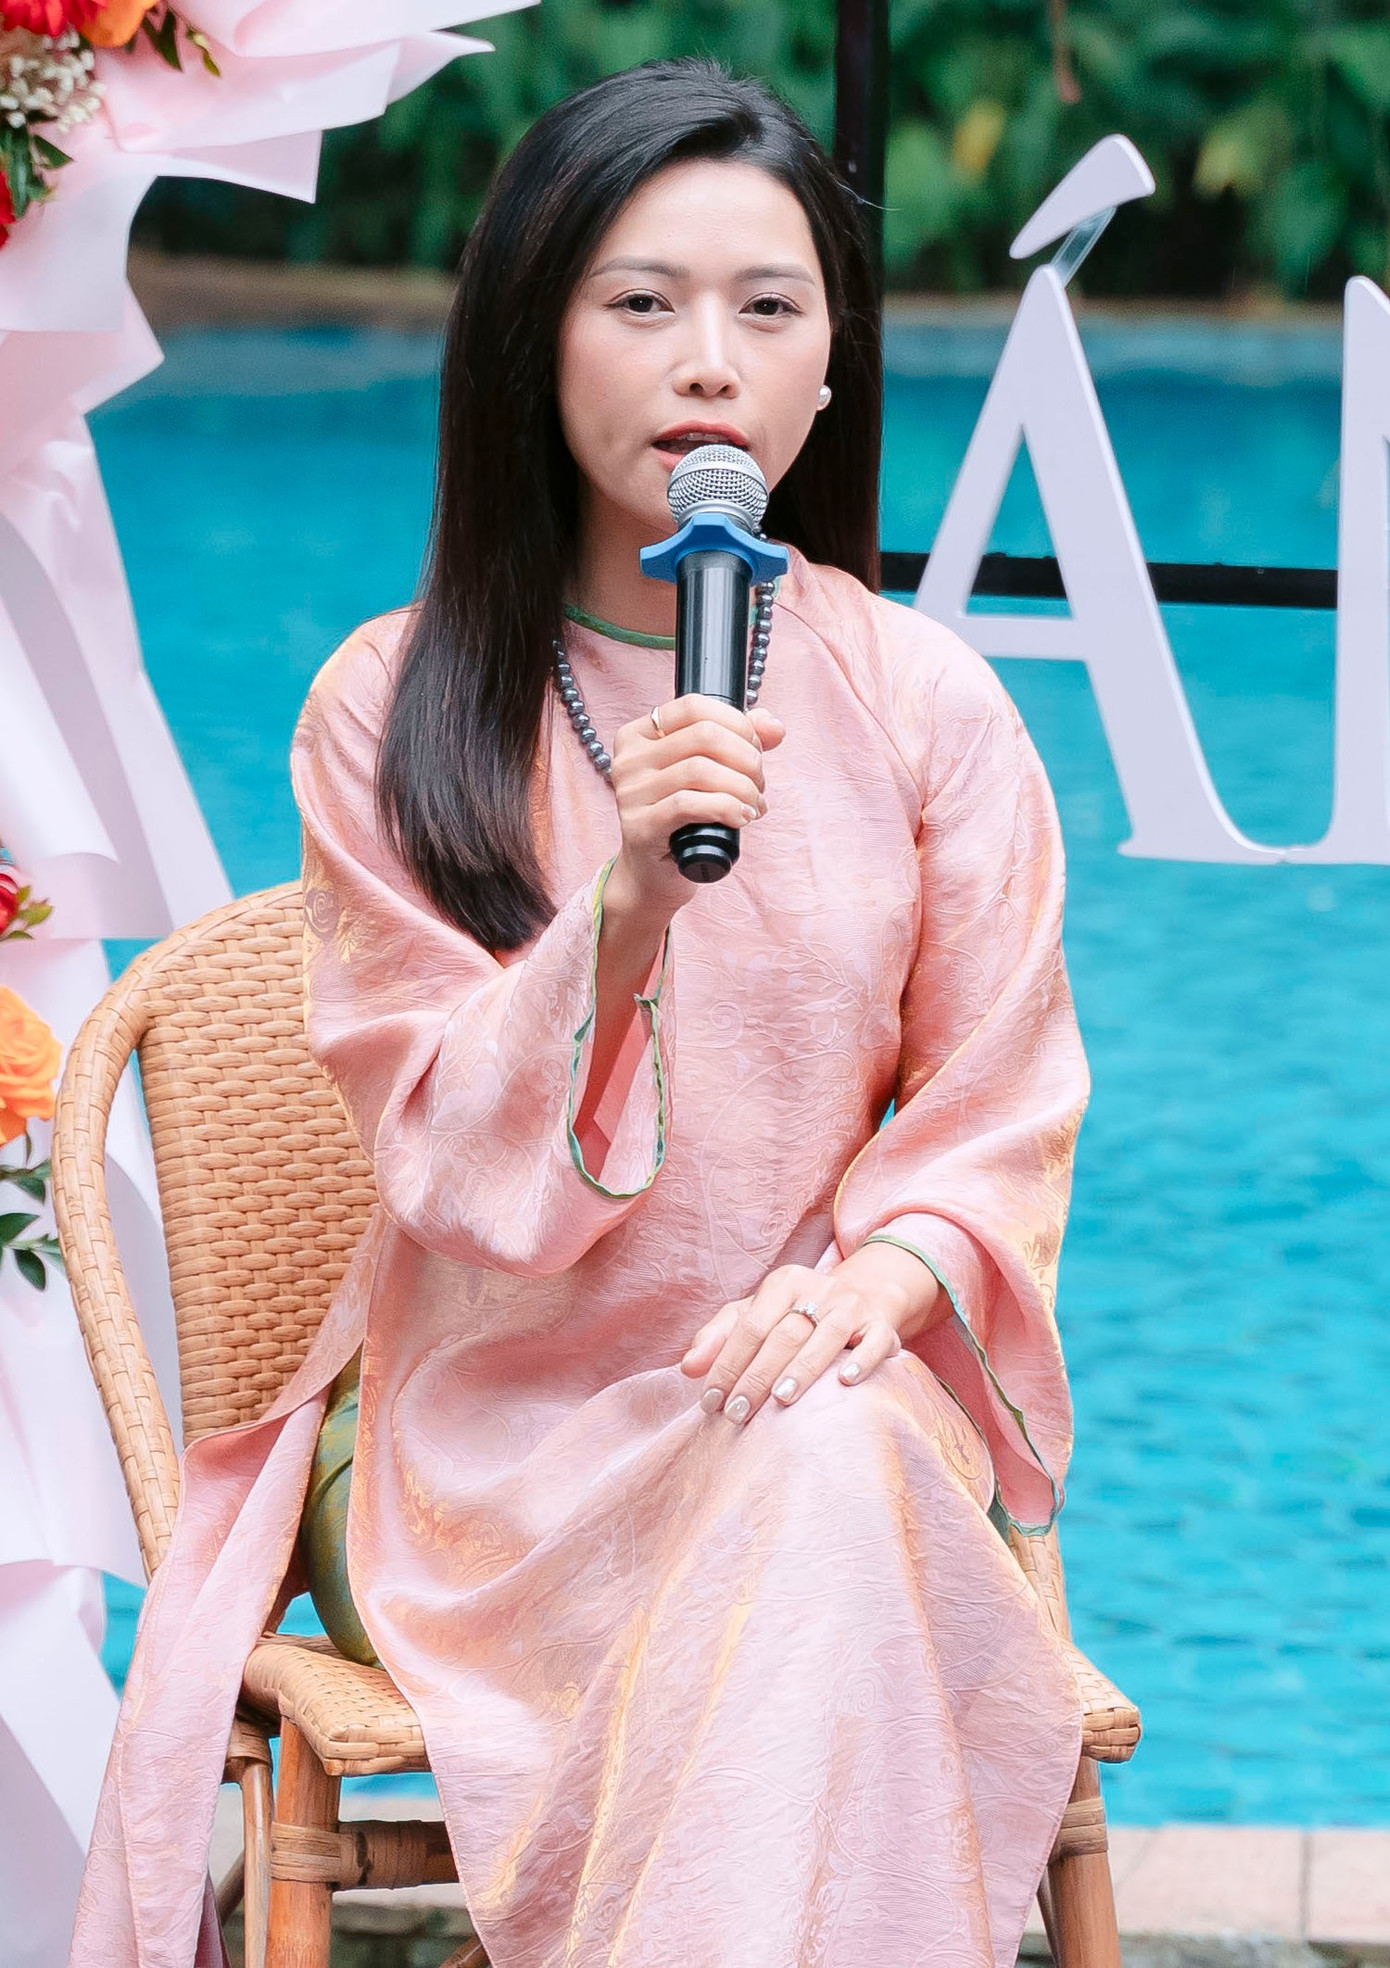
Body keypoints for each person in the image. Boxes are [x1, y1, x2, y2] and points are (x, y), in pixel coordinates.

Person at [72, 59, 1090, 1968]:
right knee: (829, 1497)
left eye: (767, 308)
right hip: (490, 1458)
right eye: (641, 301)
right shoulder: (390, 708)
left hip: (812, 1395)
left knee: (831, 1457)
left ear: (827, 373)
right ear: (531, 342)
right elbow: (447, 1165)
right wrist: (620, 913)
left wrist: (870, 1289)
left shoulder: (927, 703)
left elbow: (1001, 1105)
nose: (708, 361)